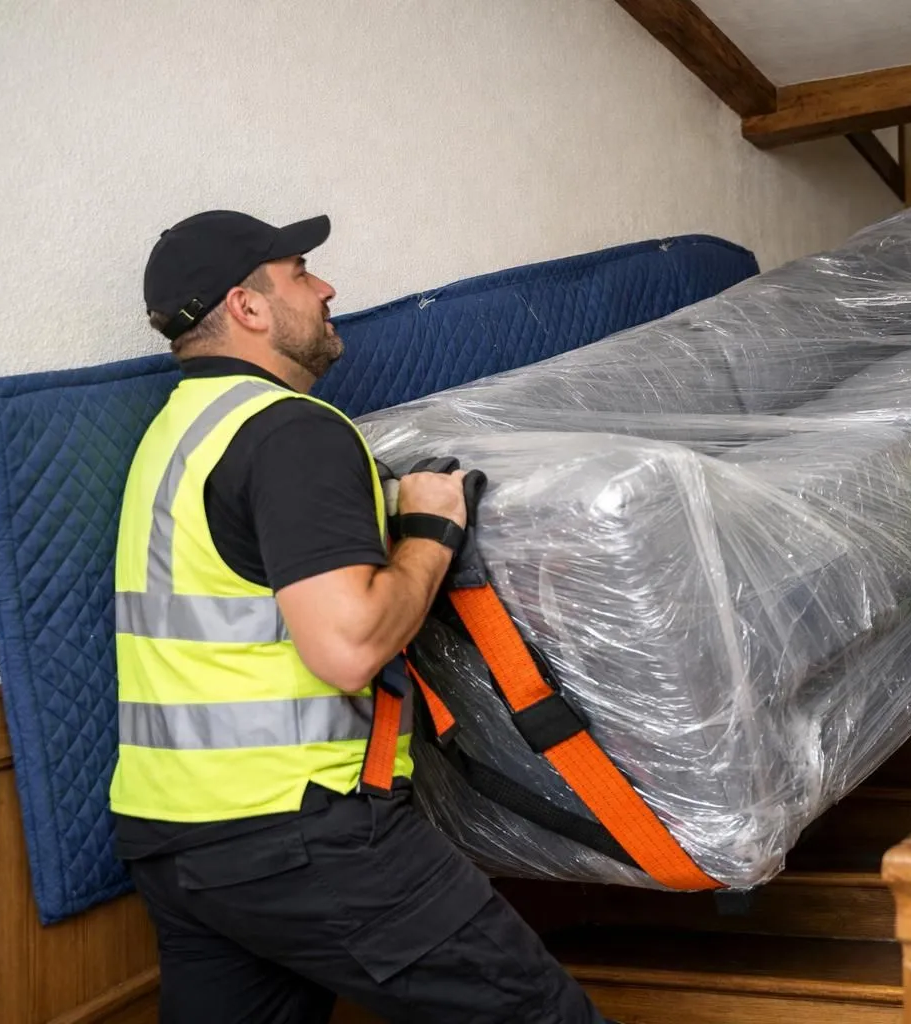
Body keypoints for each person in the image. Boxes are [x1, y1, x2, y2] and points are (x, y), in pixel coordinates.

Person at [110, 210, 608, 1023]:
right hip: (301, 833)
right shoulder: (291, 433)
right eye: (301, 272)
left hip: (173, 836)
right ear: (249, 307)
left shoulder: (172, 436)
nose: (326, 287)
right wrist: (430, 534)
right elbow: (348, 646)